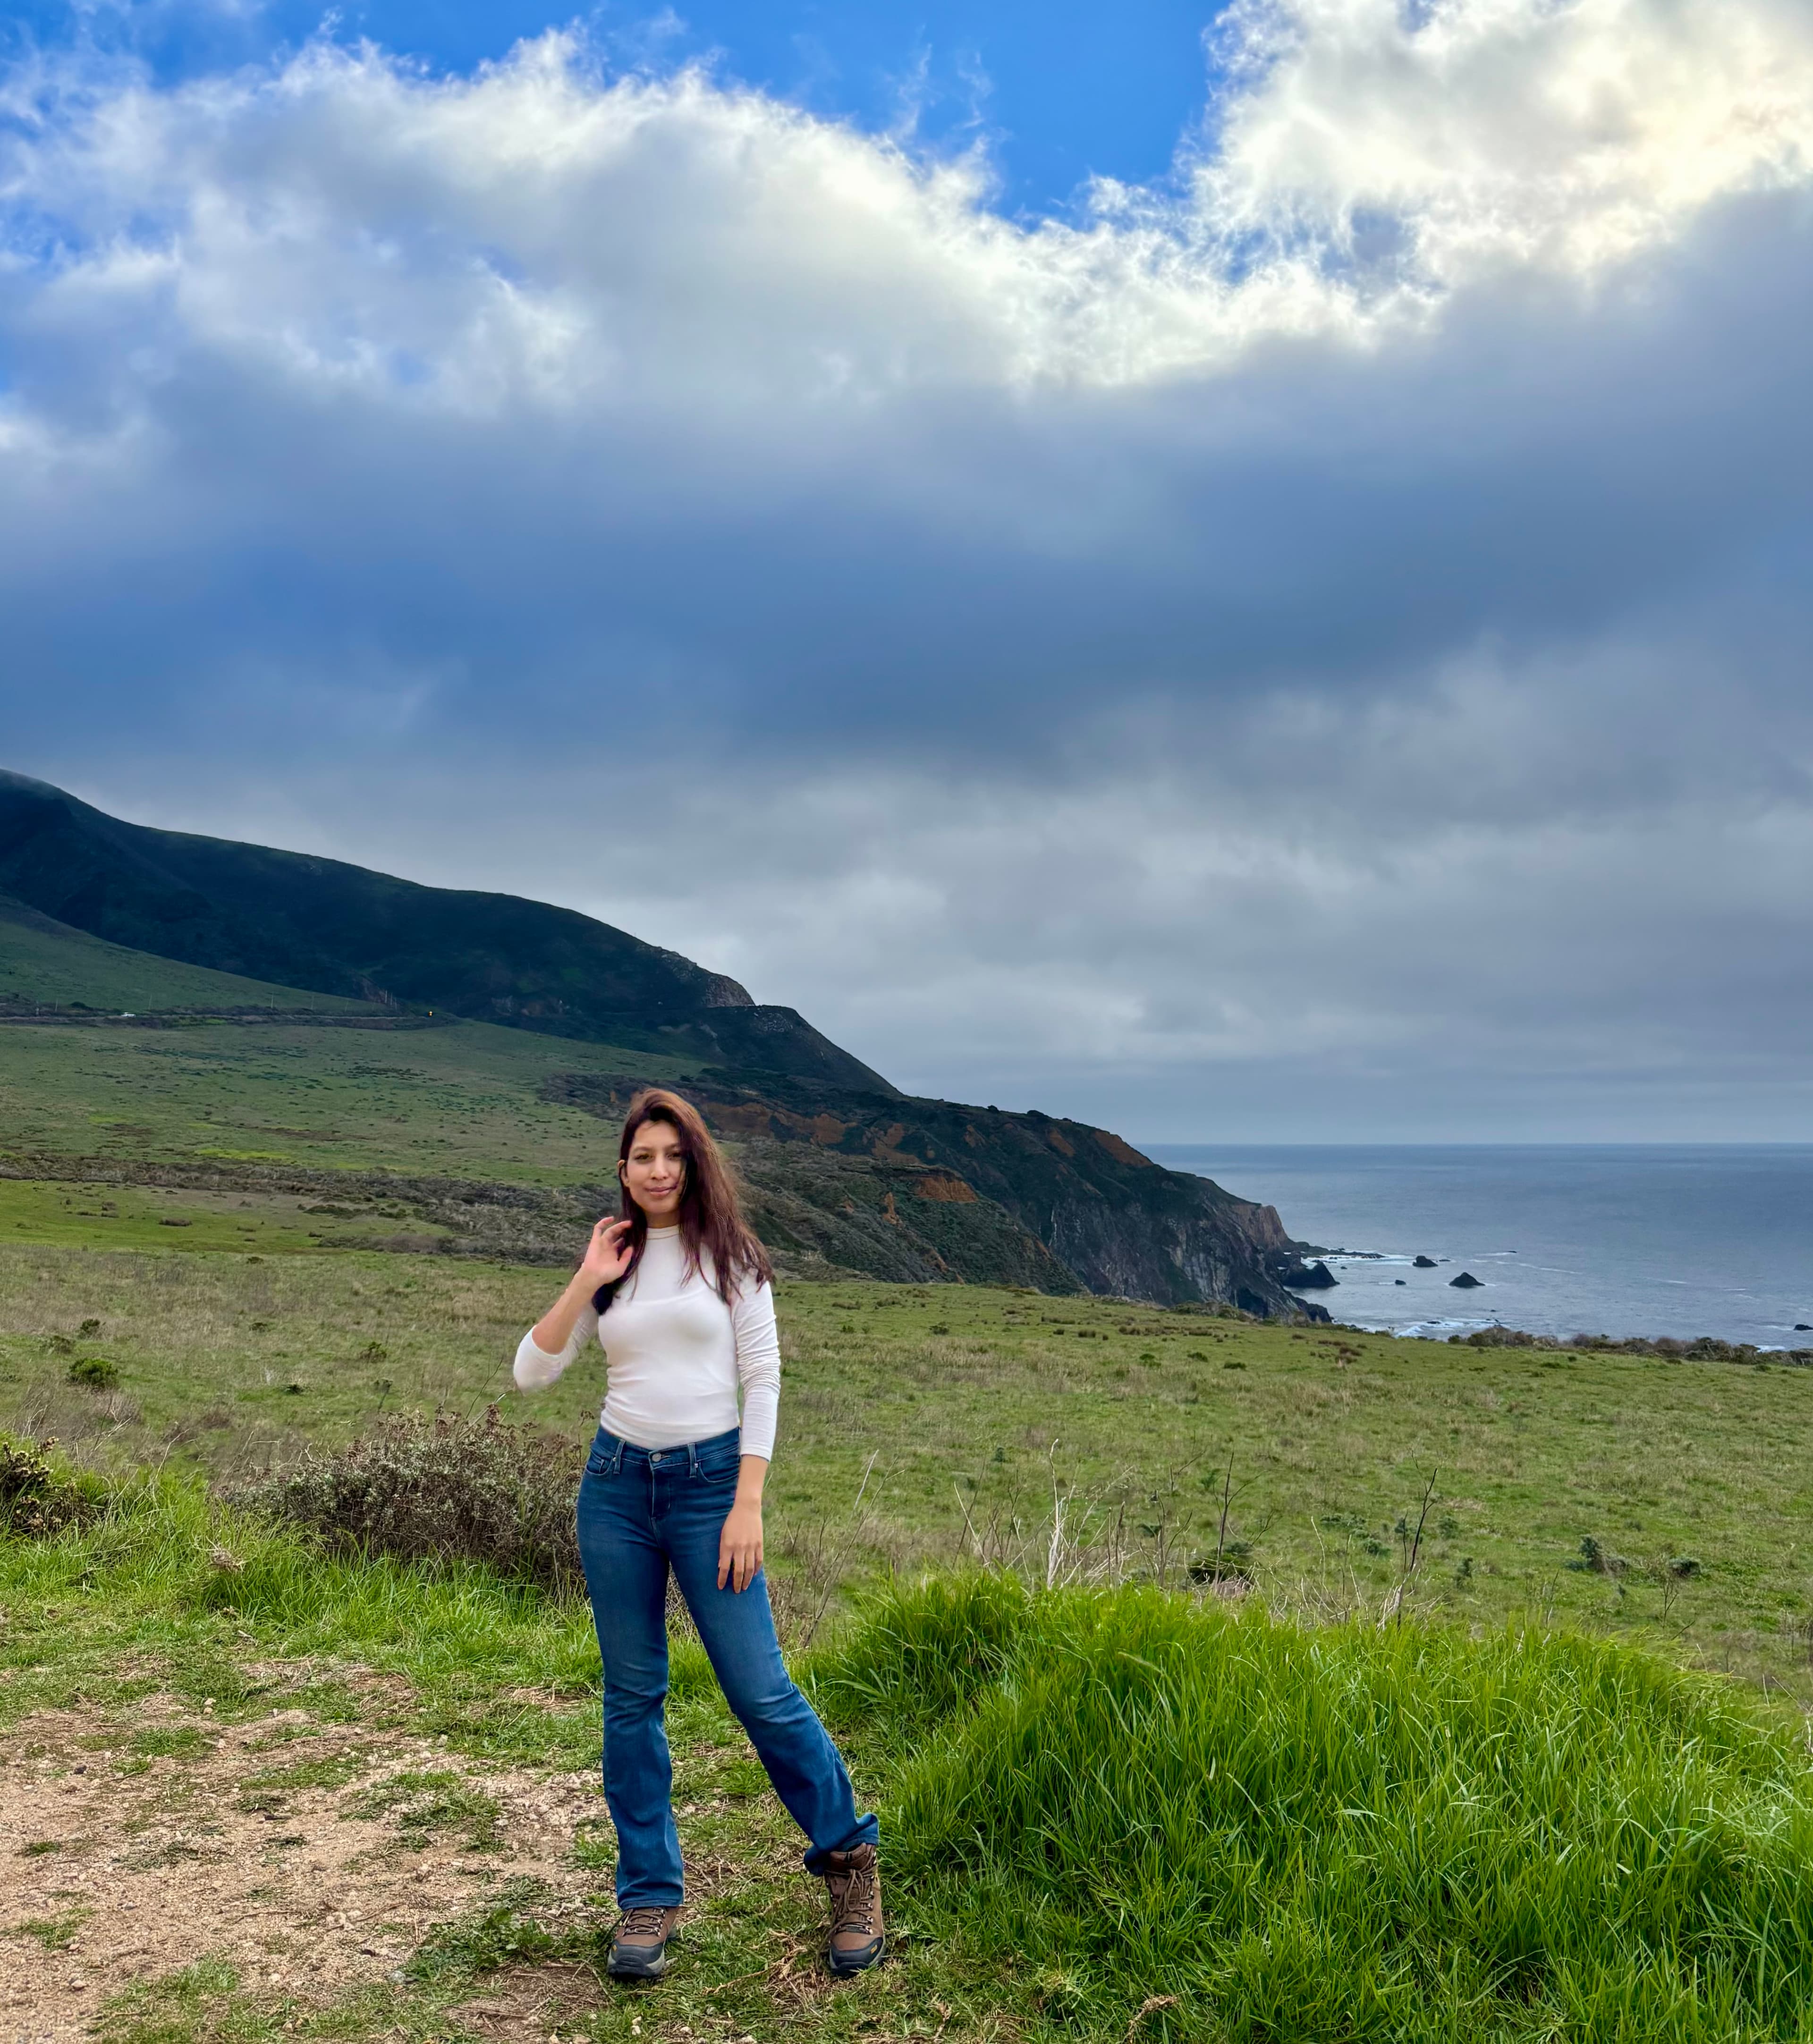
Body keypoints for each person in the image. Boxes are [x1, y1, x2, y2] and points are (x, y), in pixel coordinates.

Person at [514, 1088, 882, 1982]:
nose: (659, 1170)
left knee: (760, 1689)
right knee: (631, 1695)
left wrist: (746, 1501)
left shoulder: (733, 1257)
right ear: (623, 1167)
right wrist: (586, 1276)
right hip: (615, 1489)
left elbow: (764, 1378)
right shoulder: (617, 1261)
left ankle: (851, 1861)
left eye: (674, 1155)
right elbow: (532, 1372)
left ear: (695, 1162)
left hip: (713, 1488)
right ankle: (648, 1895)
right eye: (644, 1157)